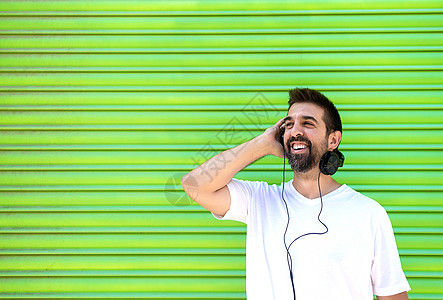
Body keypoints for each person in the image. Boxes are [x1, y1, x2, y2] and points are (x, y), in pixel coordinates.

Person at [182, 88, 410, 299]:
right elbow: (193, 185)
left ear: (333, 140)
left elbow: (393, 294)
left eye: (308, 123)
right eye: (288, 125)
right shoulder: (258, 199)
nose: (295, 131)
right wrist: (263, 144)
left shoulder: (369, 213)